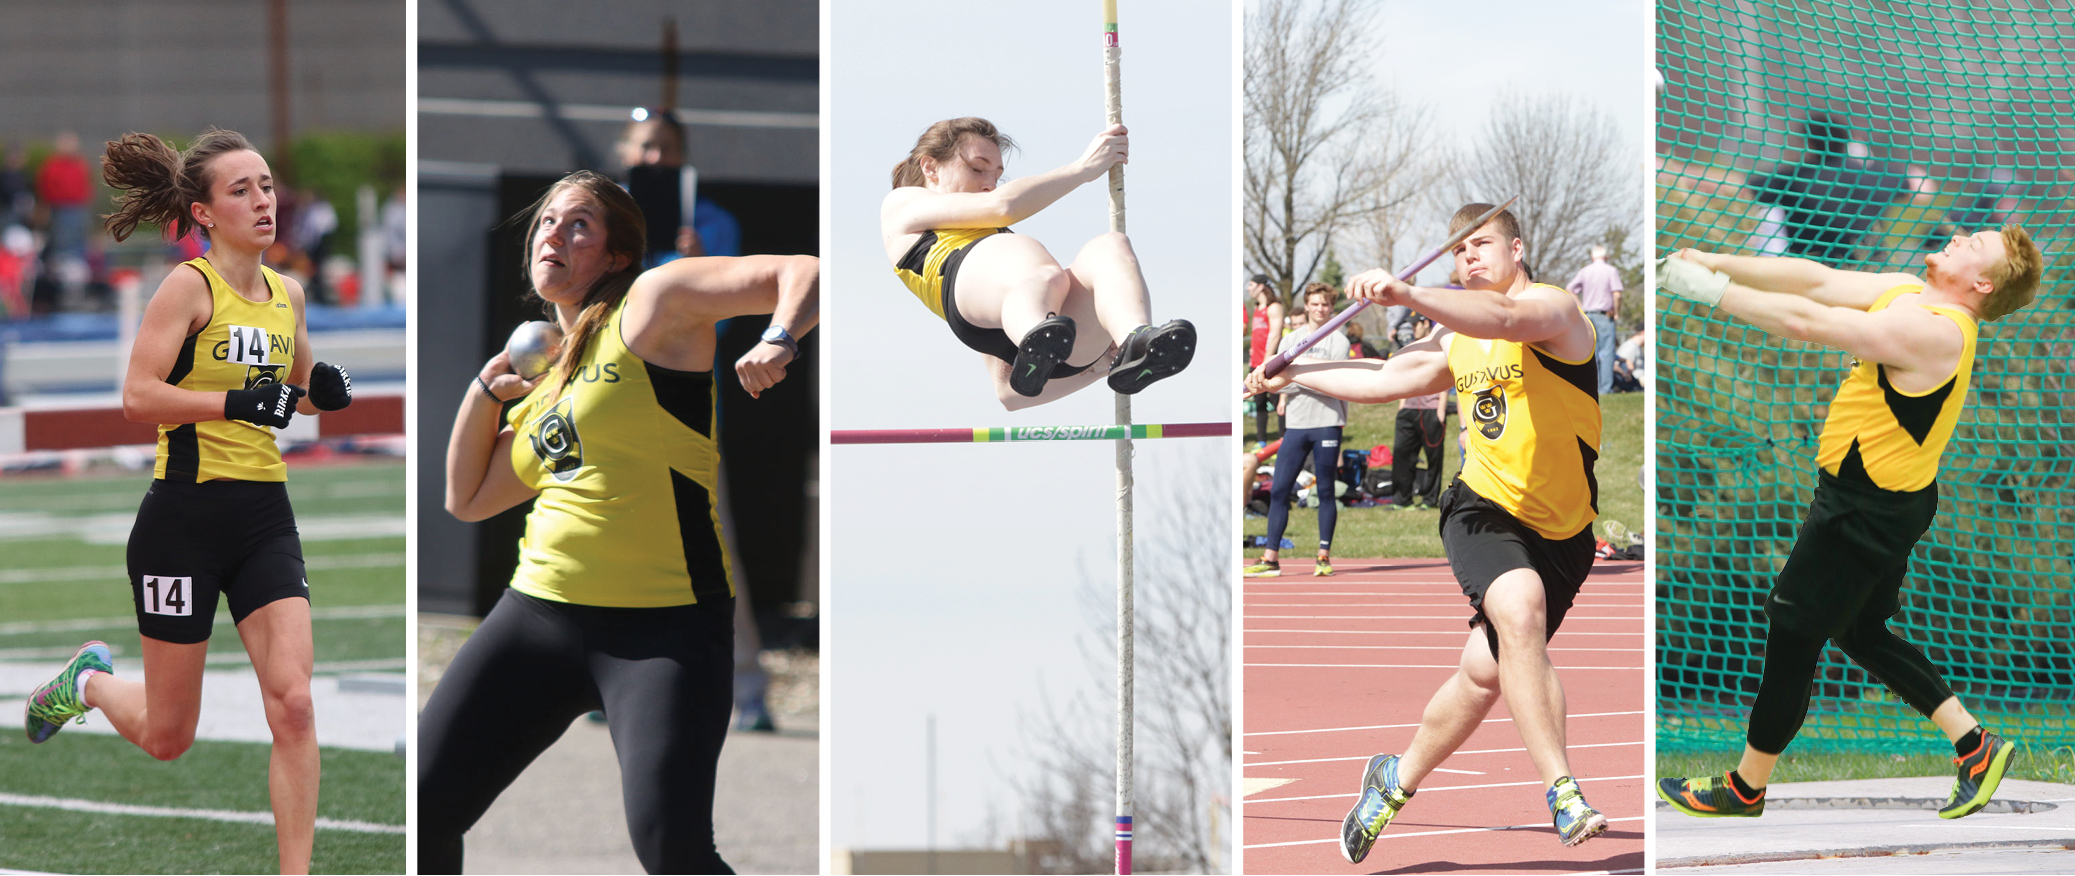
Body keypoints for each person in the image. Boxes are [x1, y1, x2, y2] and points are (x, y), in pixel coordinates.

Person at [420, 170, 818, 874]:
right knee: (421, 810)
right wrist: (484, 392)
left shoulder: (652, 304)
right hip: (538, 617)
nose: (554, 234)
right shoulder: (548, 375)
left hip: (662, 630)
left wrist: (780, 339)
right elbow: (469, 498)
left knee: (673, 849)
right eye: (546, 222)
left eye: (579, 223)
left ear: (614, 256)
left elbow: (802, 269)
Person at [21, 129, 353, 875]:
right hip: (183, 523)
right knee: (170, 737)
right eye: (242, 191)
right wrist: (237, 400)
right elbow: (138, 397)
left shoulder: (288, 294)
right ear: (203, 213)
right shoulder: (189, 288)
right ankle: (89, 682)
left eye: (266, 185)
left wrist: (319, 392)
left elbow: (291, 400)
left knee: (294, 705)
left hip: (266, 517)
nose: (263, 201)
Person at [1245, 202, 1610, 859]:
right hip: (1483, 509)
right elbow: (1385, 378)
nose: (1469, 258)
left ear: (1516, 248)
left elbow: (1504, 317)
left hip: (1564, 530)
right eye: (1459, 251)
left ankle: (1392, 780)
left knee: (1483, 672)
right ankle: (1562, 790)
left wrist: (1410, 292)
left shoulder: (1556, 312)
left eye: (1481, 245)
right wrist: (1290, 371)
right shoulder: (1455, 340)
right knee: (1519, 612)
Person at [1654, 223, 2042, 820]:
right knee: (1859, 630)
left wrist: (1708, 290)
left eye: (1975, 245)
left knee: (1792, 630)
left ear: (1981, 283)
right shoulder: (1908, 291)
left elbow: (1808, 322)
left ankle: (1744, 787)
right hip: (1877, 500)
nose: (1961, 236)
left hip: (1864, 511)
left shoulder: (1936, 333)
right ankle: (1975, 744)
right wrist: (1711, 258)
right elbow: (1817, 280)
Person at [882, 117, 1194, 407]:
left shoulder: (1004, 255)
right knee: (1037, 267)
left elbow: (1009, 393)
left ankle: (1135, 341)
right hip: (973, 299)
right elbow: (1002, 205)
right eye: (978, 169)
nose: (990, 183)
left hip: (1057, 335)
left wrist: (1101, 368)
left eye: (997, 176)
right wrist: (1083, 168)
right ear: (930, 167)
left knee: (1111, 246)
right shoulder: (902, 203)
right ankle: (1038, 333)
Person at [1244, 282, 1347, 578]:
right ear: (1307, 305)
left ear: (1331, 307)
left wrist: (1292, 382)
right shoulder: (1292, 339)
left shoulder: (1338, 341)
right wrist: (1293, 383)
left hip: (1327, 422)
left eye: (1325, 304)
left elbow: (1330, 381)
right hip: (1297, 425)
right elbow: (1277, 379)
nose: (1319, 309)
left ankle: (1323, 556)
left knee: (1325, 490)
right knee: (1278, 489)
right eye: (1314, 304)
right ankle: (1270, 558)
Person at [617, 110, 741, 264]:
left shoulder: (716, 222)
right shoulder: (604, 211)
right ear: (625, 152)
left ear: (682, 155)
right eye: (646, 146)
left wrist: (701, 264)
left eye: (666, 148)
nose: (656, 158)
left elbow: (727, 283)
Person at [1391, 316, 1445, 510]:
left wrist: (1441, 409)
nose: (1413, 328)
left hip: (1431, 410)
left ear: (1425, 324)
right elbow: (1403, 378)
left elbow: (1446, 377)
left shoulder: (1439, 347)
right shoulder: (1410, 348)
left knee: (1433, 458)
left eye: (1416, 325)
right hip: (1409, 409)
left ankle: (1429, 500)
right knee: (1402, 456)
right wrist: (1401, 406)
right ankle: (1401, 499)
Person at [1565, 245, 1622, 397]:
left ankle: (1592, 387)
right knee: (1608, 351)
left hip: (1587, 316)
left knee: (1592, 352)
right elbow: (1617, 294)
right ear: (1607, 256)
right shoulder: (1611, 270)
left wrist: (1581, 307)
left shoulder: (1585, 271)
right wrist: (1616, 312)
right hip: (1605, 315)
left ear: (1592, 257)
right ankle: (1605, 388)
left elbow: (1570, 288)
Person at [1247, 273, 1285, 444]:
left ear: (1261, 286)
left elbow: (1275, 335)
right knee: (1259, 403)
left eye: (1251, 285)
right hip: (1255, 362)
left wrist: (1266, 362)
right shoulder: (1256, 308)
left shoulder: (1274, 307)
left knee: (1278, 402)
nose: (1248, 288)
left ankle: (1283, 440)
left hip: (1269, 363)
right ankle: (1261, 441)